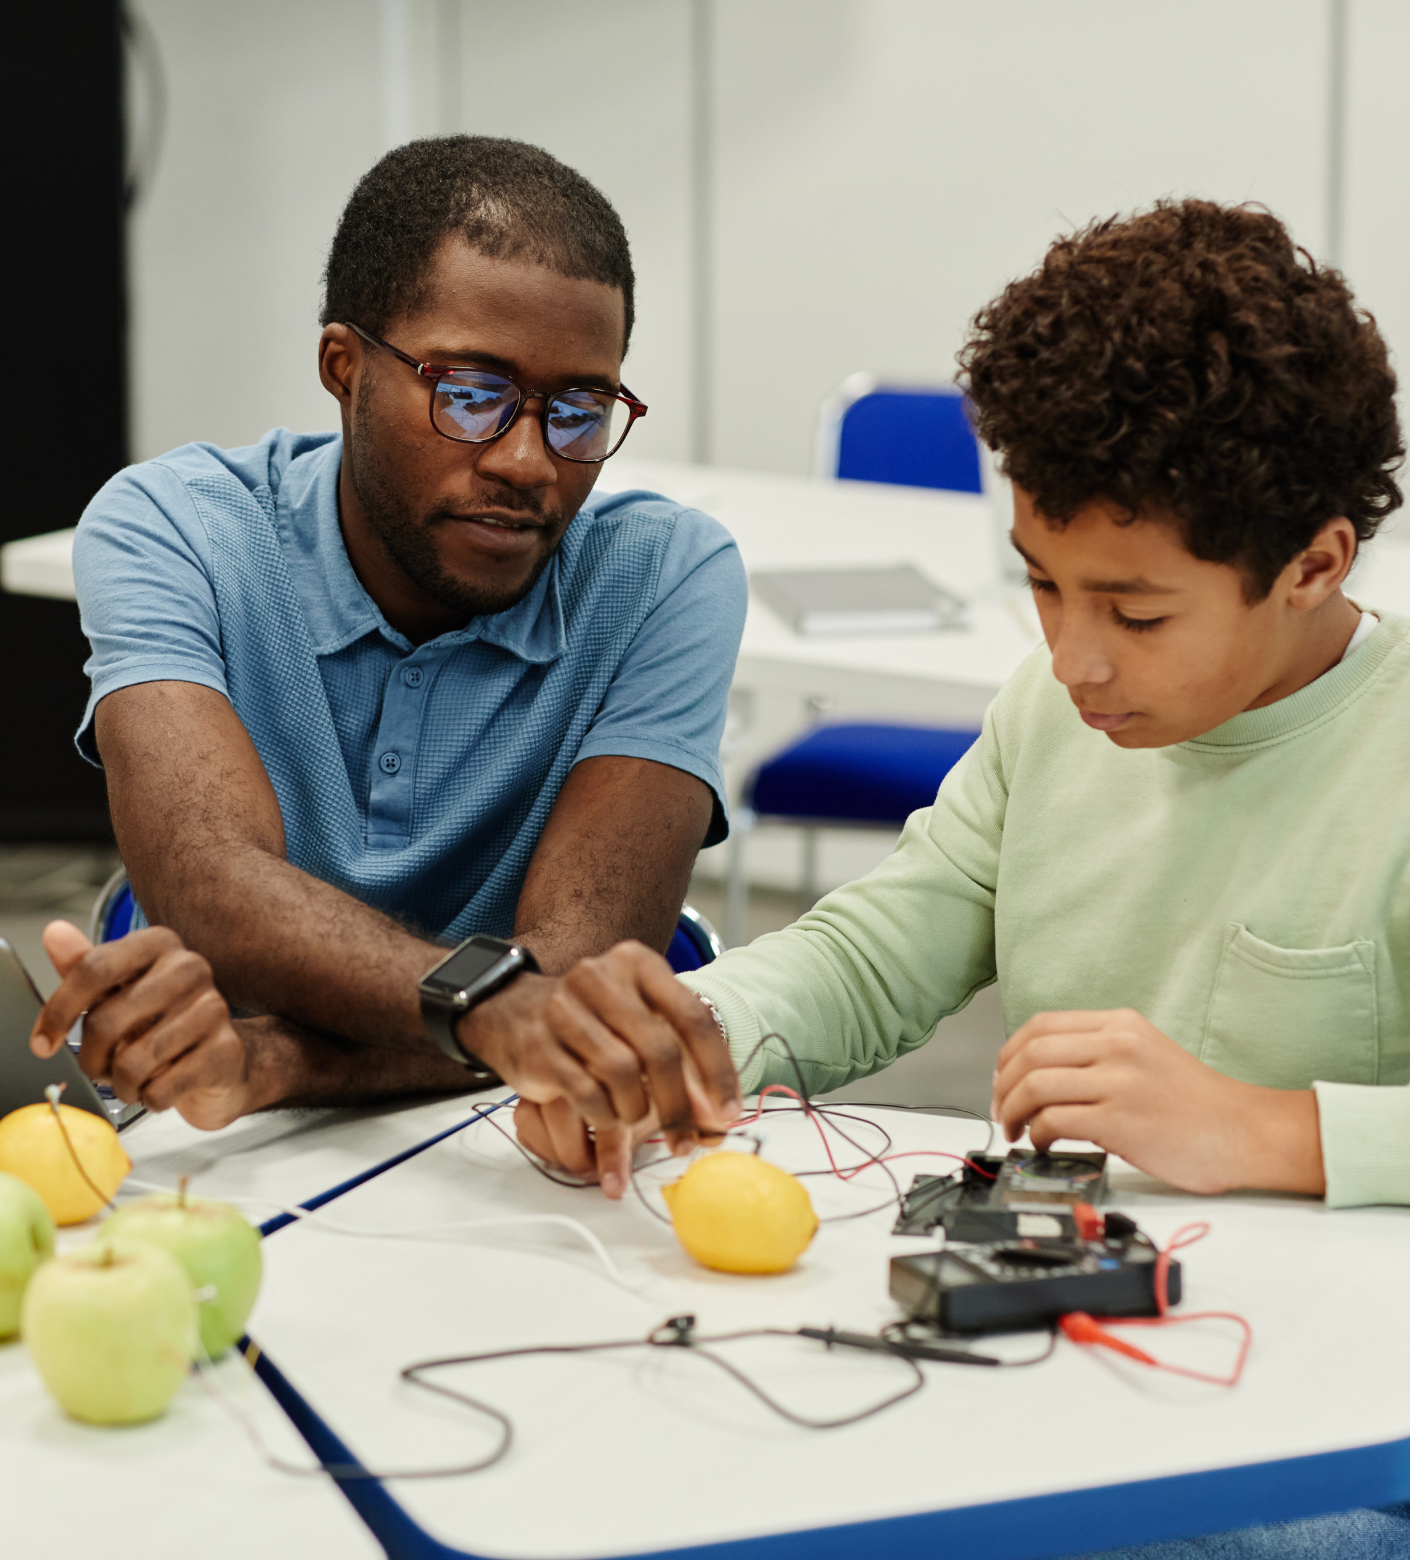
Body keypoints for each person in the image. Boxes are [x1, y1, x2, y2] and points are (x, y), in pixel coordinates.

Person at [517, 195, 1410, 1214]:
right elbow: (874, 957)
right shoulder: (1050, 713)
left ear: (1315, 564)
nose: (1072, 661)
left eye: (1138, 616)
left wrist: (1269, 1129)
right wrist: (680, 1042)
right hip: (1072, 1301)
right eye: (1041, 583)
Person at [28, 135, 744, 1182]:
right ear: (343, 369)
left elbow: (568, 998)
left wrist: (272, 1058)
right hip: (239, 1165)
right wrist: (496, 1012)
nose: (526, 461)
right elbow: (211, 884)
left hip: (508, 1166)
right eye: (471, 394)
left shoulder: (665, 577)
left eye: (581, 411)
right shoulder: (172, 527)